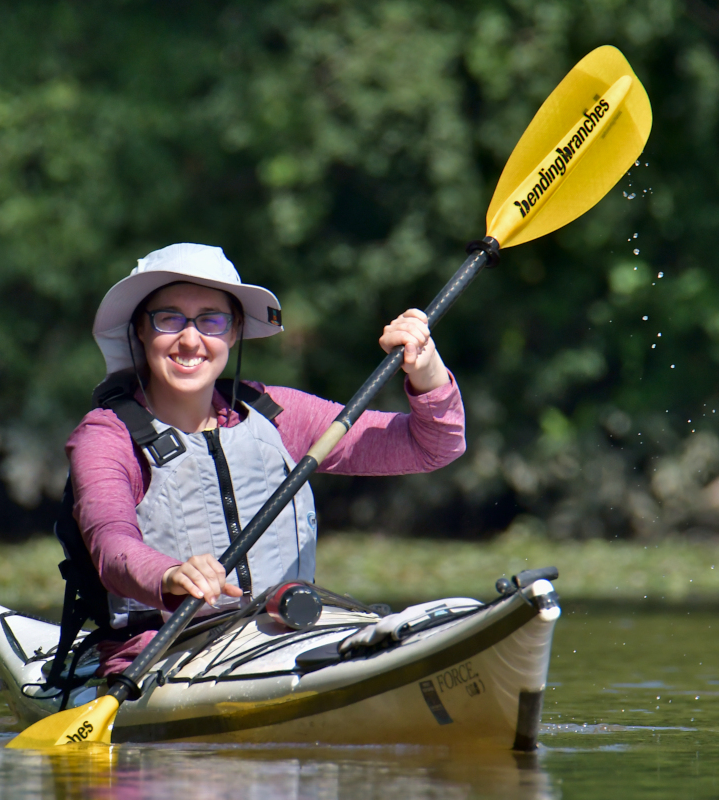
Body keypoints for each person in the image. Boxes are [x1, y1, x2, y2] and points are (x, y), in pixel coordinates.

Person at [66, 243, 466, 678]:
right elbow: (111, 546)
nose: (190, 338)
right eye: (169, 318)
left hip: (290, 638)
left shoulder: (277, 414)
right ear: (141, 331)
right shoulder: (106, 436)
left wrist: (426, 372)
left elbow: (432, 446)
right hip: (166, 658)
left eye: (211, 320)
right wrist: (170, 575)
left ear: (234, 331)